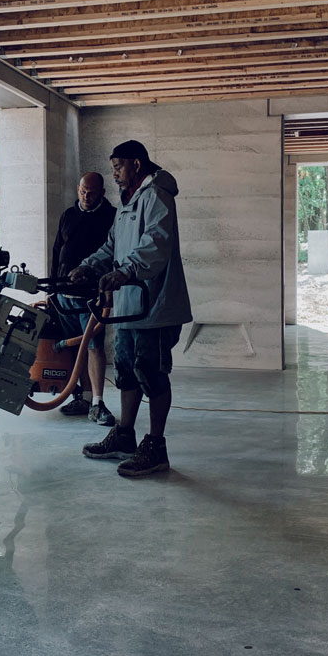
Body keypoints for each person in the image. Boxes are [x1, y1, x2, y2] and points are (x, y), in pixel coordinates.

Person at [69, 140, 191, 477]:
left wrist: (126, 272)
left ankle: (156, 446)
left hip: (156, 305)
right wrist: (89, 266)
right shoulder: (127, 202)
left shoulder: (157, 195)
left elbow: (156, 243)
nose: (115, 175)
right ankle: (125, 436)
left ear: (137, 165)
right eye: (113, 169)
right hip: (128, 307)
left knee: (152, 374)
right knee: (125, 371)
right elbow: (112, 246)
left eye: (119, 167)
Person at [50, 172, 117, 425]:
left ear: (101, 192)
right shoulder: (68, 214)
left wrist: (108, 287)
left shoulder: (111, 217)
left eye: (91, 192)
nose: (86, 196)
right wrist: (52, 289)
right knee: (76, 347)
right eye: (82, 191)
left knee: (93, 346)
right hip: (64, 295)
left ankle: (99, 403)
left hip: (92, 295)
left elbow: (114, 253)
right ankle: (85, 397)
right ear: (77, 189)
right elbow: (57, 251)